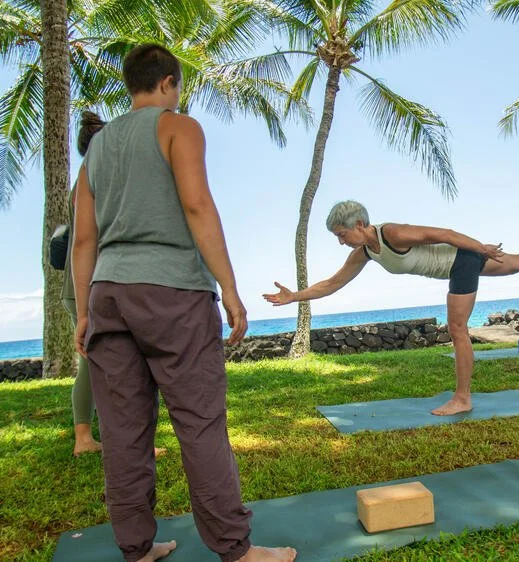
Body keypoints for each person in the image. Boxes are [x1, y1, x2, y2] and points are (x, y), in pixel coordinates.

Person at [71, 44, 296, 562]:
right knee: (199, 422)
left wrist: (85, 312)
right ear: (169, 82)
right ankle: (236, 550)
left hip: (108, 293)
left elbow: (84, 241)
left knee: (124, 432)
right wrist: (231, 289)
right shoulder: (179, 127)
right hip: (172, 290)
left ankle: (137, 547)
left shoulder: (97, 149)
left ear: (132, 84)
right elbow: (196, 204)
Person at [264, 200, 519, 416]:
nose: (341, 241)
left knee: (457, 328)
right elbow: (333, 283)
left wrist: (480, 249)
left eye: (342, 234)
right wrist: (295, 296)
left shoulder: (392, 233)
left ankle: (462, 398)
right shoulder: (364, 253)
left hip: (462, 259)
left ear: (360, 223)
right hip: (459, 262)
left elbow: (445, 234)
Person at [63, 111, 105, 456]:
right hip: (86, 285)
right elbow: (86, 243)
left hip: (82, 285)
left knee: (98, 364)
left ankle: (97, 437)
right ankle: (83, 439)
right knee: (97, 364)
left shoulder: (84, 178)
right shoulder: (91, 178)